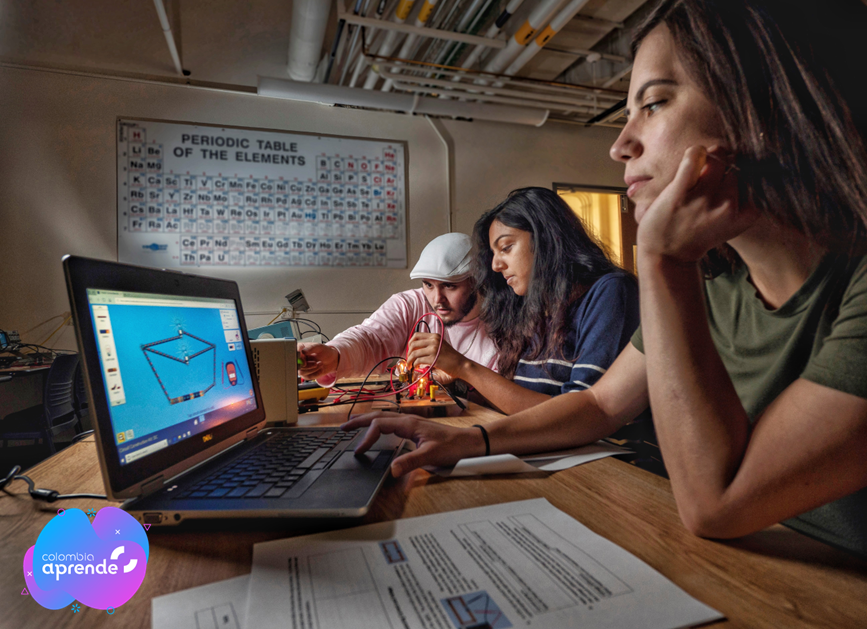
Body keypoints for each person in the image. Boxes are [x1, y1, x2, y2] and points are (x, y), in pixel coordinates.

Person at [344, 0, 867, 557]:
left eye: (655, 103)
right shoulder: (722, 290)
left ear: (763, 109)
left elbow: (717, 503)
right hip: (744, 565)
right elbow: (598, 406)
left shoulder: (717, 279)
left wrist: (666, 260)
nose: (619, 145)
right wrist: (469, 439)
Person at [405, 187, 639, 414]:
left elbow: (581, 414)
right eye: (494, 254)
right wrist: (457, 381)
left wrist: (464, 366)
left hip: (609, 452)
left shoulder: (610, 291)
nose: (496, 265)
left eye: (506, 248)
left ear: (546, 240)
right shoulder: (536, 308)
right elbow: (519, 403)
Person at [298, 232, 498, 386]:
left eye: (450, 286)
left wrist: (460, 373)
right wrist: (335, 354)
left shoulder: (504, 320)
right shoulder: (410, 303)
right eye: (428, 284)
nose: (438, 299)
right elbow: (371, 337)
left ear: (477, 281)